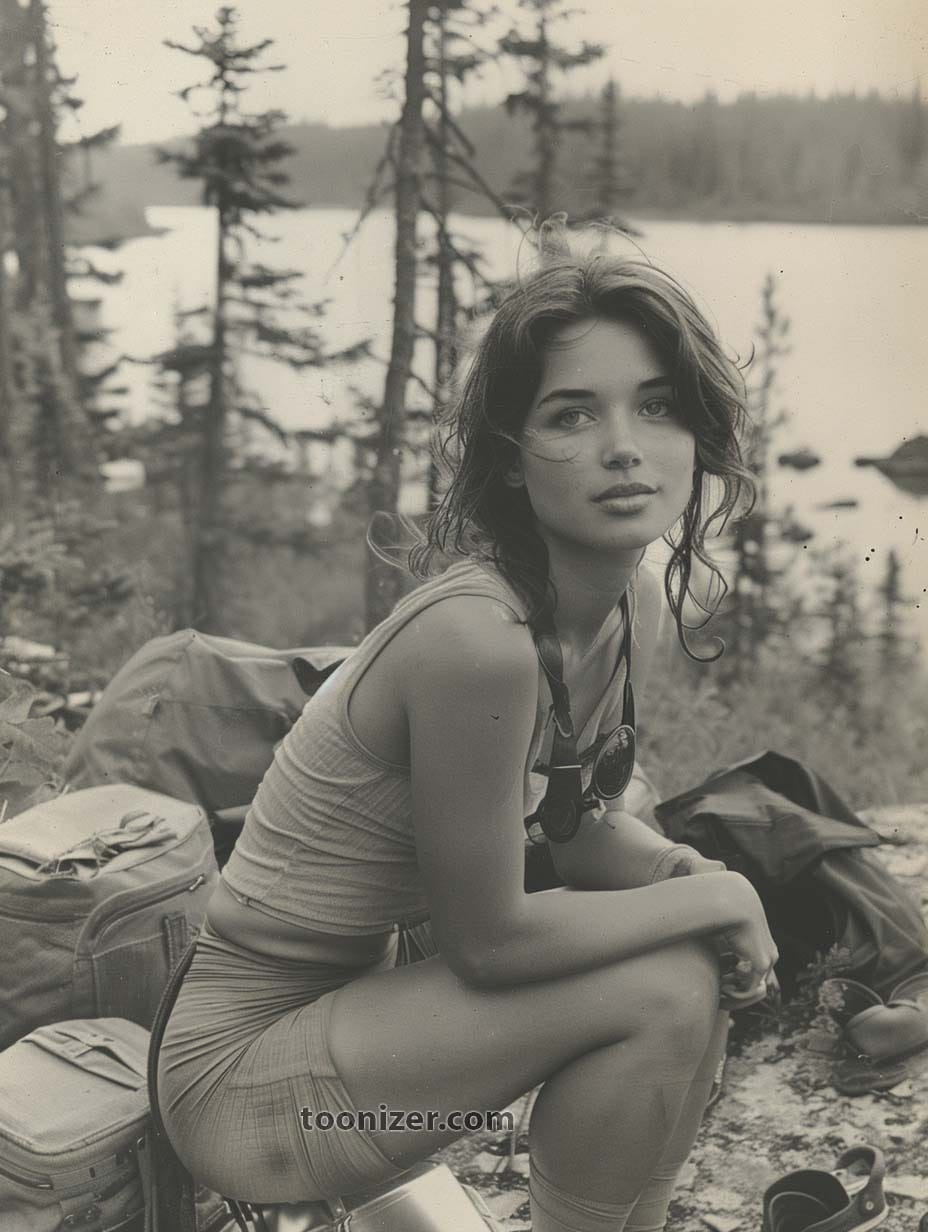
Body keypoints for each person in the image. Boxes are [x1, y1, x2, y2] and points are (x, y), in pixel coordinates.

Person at [157, 243, 779, 1232]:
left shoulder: (628, 608)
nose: (624, 444)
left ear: (697, 432)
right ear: (509, 457)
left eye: (656, 405)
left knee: (685, 954)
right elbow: (489, 941)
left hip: (365, 1032)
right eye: (572, 413)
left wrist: (673, 867)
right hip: (245, 1081)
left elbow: (579, 831)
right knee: (666, 982)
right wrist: (719, 892)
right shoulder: (475, 642)